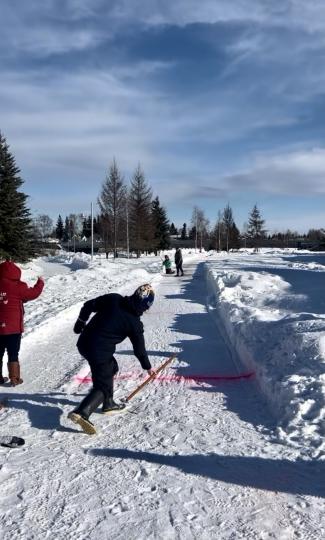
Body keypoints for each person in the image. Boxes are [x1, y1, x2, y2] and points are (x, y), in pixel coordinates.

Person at [68, 283, 155, 435]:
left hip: (83, 343)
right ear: (145, 306)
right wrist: (147, 367)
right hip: (99, 351)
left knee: (111, 368)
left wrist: (80, 322)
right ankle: (82, 412)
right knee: (103, 386)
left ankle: (108, 402)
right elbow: (139, 350)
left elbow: (88, 305)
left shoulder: (114, 299)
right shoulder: (134, 323)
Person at [0, 260, 44, 385]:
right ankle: (14, 378)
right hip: (14, 328)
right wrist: (40, 283)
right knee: (13, 352)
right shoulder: (19, 286)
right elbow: (33, 293)